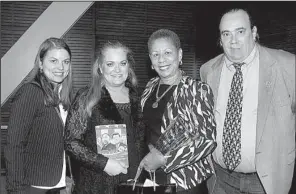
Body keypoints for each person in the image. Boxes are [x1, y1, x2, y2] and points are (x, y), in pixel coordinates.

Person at [200, 8, 295, 194]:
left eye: (240, 32)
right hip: (220, 180)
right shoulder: (207, 70)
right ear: (220, 39)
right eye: (226, 34)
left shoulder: (288, 66)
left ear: (254, 32)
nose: (233, 40)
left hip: (265, 181)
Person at [139, 29, 217, 194]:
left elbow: (206, 140)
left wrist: (163, 160)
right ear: (150, 60)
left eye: (168, 52)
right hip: (151, 179)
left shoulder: (197, 89)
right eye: (155, 54)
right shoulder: (150, 86)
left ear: (179, 55)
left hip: (185, 183)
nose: (162, 60)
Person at [64, 40, 146, 194]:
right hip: (98, 183)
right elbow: (71, 142)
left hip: (135, 182)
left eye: (122, 63)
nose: (117, 70)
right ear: (100, 67)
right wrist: (104, 163)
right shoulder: (86, 97)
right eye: (110, 64)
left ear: (129, 66)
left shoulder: (139, 96)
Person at [5, 37, 73, 194]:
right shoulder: (31, 92)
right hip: (33, 186)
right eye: (53, 61)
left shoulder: (64, 95)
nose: (60, 67)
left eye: (66, 61)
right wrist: (16, 190)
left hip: (57, 184)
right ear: (41, 64)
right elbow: (14, 145)